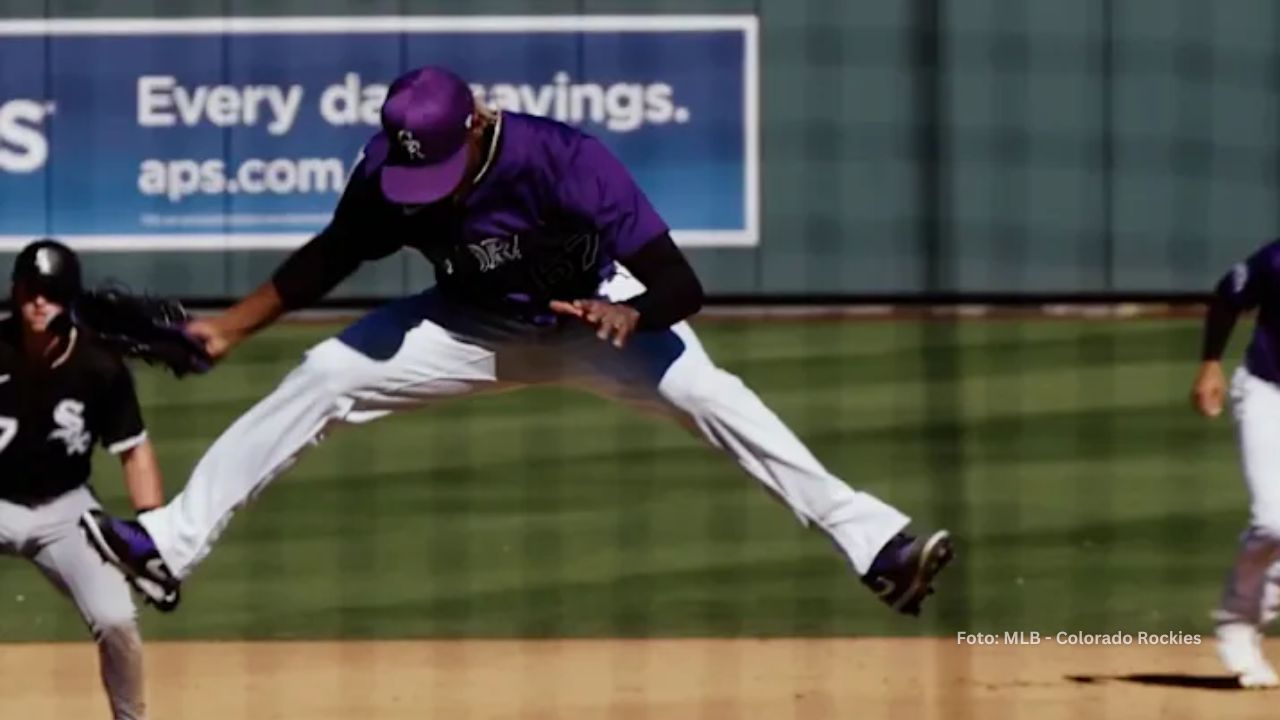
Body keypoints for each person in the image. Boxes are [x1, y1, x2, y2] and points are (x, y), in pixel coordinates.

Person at [82, 65, 953, 618]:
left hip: (594, 320)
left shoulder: (564, 158)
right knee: (323, 375)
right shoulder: (389, 174)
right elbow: (332, 256)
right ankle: (170, 547)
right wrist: (230, 327)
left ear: (476, 127)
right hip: (467, 325)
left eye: (436, 169)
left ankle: (878, 547)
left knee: (708, 395)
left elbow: (683, 284)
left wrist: (637, 316)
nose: (420, 190)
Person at [2, 239, 168, 720]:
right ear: (15, 291)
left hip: (65, 511)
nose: (39, 302)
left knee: (117, 620)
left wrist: (153, 533)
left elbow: (134, 451)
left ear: (69, 299)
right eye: (31, 290)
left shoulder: (98, 366)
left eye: (51, 293)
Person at [1192, 237, 1280, 688]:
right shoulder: (1276, 257)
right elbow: (1229, 295)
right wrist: (1210, 364)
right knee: (1272, 522)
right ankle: (1238, 620)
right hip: (1268, 394)